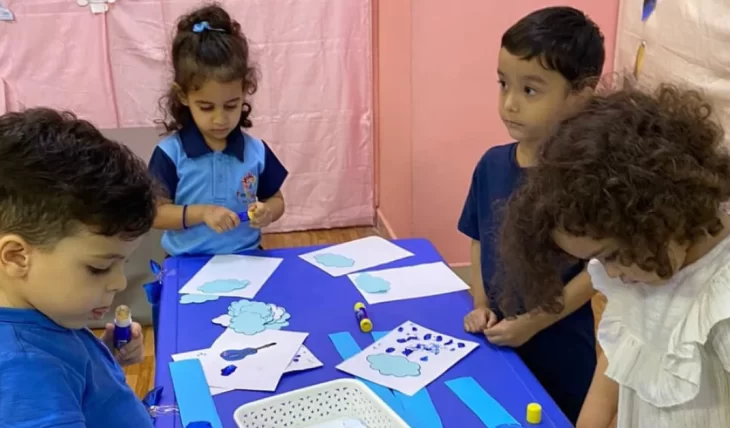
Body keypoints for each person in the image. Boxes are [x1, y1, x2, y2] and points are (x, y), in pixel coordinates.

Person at [496, 83, 730, 427]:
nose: (611, 273)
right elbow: (618, 361)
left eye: (610, 255)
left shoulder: (719, 301)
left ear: (661, 212)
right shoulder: (638, 271)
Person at [458, 6, 604, 423]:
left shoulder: (585, 178)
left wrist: (534, 324)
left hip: (559, 351)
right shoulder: (491, 164)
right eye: (504, 84)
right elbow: (479, 237)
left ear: (582, 92)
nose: (509, 104)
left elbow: (598, 271)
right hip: (497, 341)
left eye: (530, 90)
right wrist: (481, 302)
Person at [0, 108, 157, 427]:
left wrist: (104, 356)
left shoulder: (43, 312)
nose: (118, 282)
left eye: (122, 263)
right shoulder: (25, 371)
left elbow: (66, 376)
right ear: (17, 257)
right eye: (99, 268)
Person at [149, 4, 288, 256]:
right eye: (206, 107)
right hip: (186, 261)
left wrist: (268, 212)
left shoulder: (255, 151)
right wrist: (202, 213)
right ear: (183, 96)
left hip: (247, 255)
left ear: (245, 91)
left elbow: (277, 200)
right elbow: (155, 213)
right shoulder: (170, 153)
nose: (220, 119)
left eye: (231, 105)